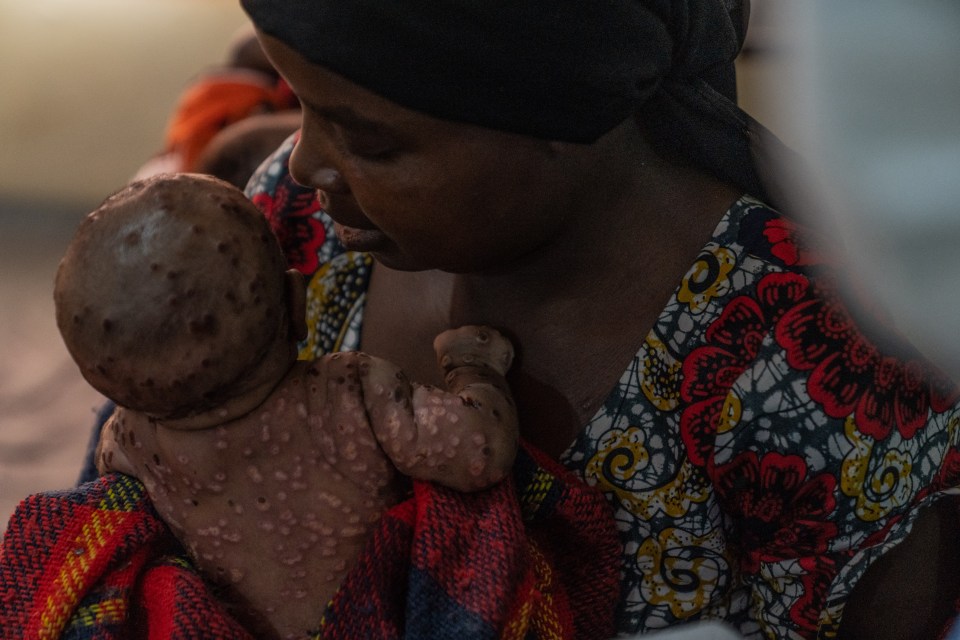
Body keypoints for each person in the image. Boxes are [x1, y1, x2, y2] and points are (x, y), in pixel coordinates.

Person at [224, 0, 960, 638]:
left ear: (559, 108)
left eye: (371, 142)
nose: (305, 165)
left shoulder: (814, 368)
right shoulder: (296, 234)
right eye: (301, 103)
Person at [51, 172, 521, 639]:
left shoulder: (129, 439)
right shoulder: (351, 393)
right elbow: (480, 453)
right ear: (298, 304)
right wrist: (473, 368)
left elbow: (108, 477)